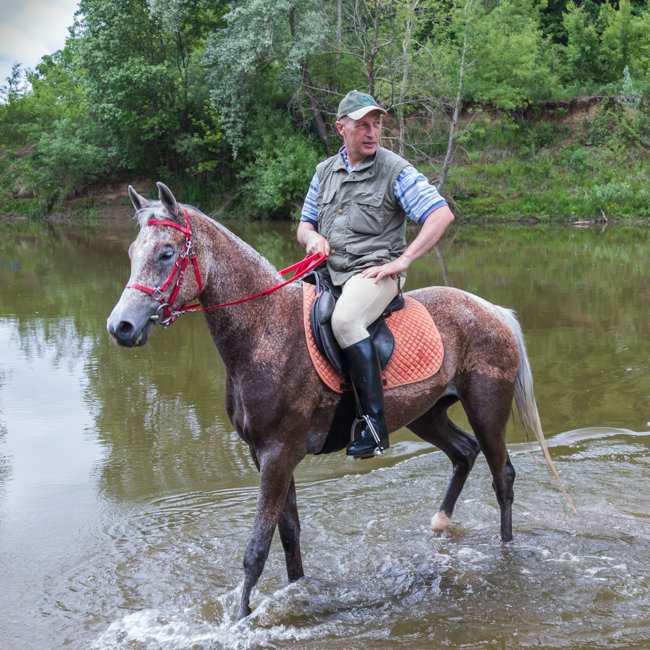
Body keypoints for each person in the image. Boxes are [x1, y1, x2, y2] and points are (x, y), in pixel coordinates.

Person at [298, 89, 454, 459]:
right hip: (328, 272)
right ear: (341, 128)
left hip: (373, 274)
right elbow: (304, 225)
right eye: (362, 125)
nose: (372, 132)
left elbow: (440, 214)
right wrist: (313, 237)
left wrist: (402, 262)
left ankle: (373, 425)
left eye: (377, 124)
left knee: (347, 320)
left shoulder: (394, 170)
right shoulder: (323, 173)